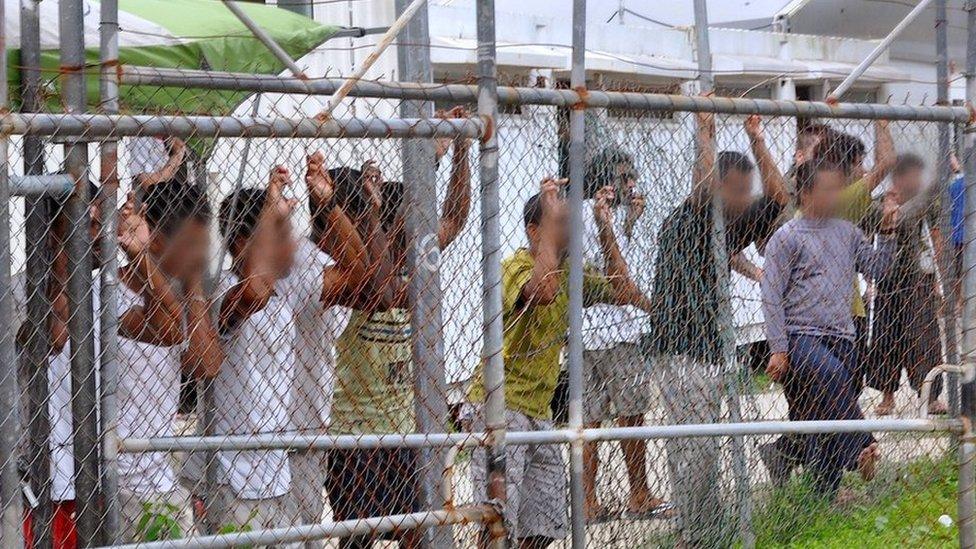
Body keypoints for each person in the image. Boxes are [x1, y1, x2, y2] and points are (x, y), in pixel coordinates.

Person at [467, 177, 654, 549]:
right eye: (559, 224)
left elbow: (623, 289)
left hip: (538, 410)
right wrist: (552, 233)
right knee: (498, 523)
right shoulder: (513, 266)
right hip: (500, 407)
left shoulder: (572, 271)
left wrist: (605, 229)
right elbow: (542, 290)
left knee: (545, 525)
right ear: (535, 230)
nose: (570, 231)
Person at [643, 113, 788, 548]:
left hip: (709, 346)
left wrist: (756, 136)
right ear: (719, 186)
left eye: (747, 191)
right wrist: (704, 130)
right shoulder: (693, 218)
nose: (747, 199)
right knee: (692, 449)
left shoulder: (730, 221)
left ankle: (706, 527)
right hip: (680, 347)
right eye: (738, 190)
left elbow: (780, 196)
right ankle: (694, 534)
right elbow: (702, 185)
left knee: (703, 446)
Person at [327, 119, 471, 549]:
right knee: (357, 538)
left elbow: (454, 219)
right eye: (407, 221)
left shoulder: (409, 269)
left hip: (405, 433)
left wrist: (460, 149)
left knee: (417, 533)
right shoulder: (353, 279)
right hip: (355, 437)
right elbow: (381, 290)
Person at [212, 163, 366, 538]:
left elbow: (360, 272)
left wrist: (328, 205)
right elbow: (254, 293)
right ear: (240, 242)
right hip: (235, 477)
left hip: (277, 473)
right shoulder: (220, 292)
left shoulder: (287, 290)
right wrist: (271, 214)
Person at [761, 159, 893, 500]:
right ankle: (863, 445)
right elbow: (771, 294)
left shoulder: (847, 232)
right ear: (805, 194)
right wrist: (778, 347)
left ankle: (824, 493)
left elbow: (877, 269)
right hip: (800, 336)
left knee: (825, 411)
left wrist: (890, 233)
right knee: (832, 377)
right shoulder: (786, 237)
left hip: (843, 335)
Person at [116, 182, 223, 542]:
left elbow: (206, 365)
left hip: (158, 476)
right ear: (155, 235)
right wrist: (142, 258)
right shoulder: (106, 291)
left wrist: (193, 283)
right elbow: (165, 328)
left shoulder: (188, 296)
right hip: (117, 476)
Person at [578, 148, 667, 521]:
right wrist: (655, 311)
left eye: (632, 176)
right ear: (605, 180)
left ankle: (588, 501)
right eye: (624, 177)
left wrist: (629, 222)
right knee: (630, 416)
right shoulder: (590, 214)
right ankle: (638, 493)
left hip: (588, 333)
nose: (631, 183)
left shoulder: (604, 213)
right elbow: (617, 277)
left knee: (590, 420)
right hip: (615, 331)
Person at [286, 152, 369, 549]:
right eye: (361, 218)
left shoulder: (321, 260)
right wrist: (331, 205)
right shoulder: (306, 260)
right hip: (288, 426)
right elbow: (363, 274)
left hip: (307, 421)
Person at [862, 153, 948, 416]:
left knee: (924, 338)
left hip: (918, 277)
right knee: (886, 339)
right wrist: (869, 281)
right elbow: (865, 240)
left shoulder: (926, 201)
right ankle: (887, 397)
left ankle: (930, 396)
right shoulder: (880, 203)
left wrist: (938, 279)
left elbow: (935, 237)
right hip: (888, 279)